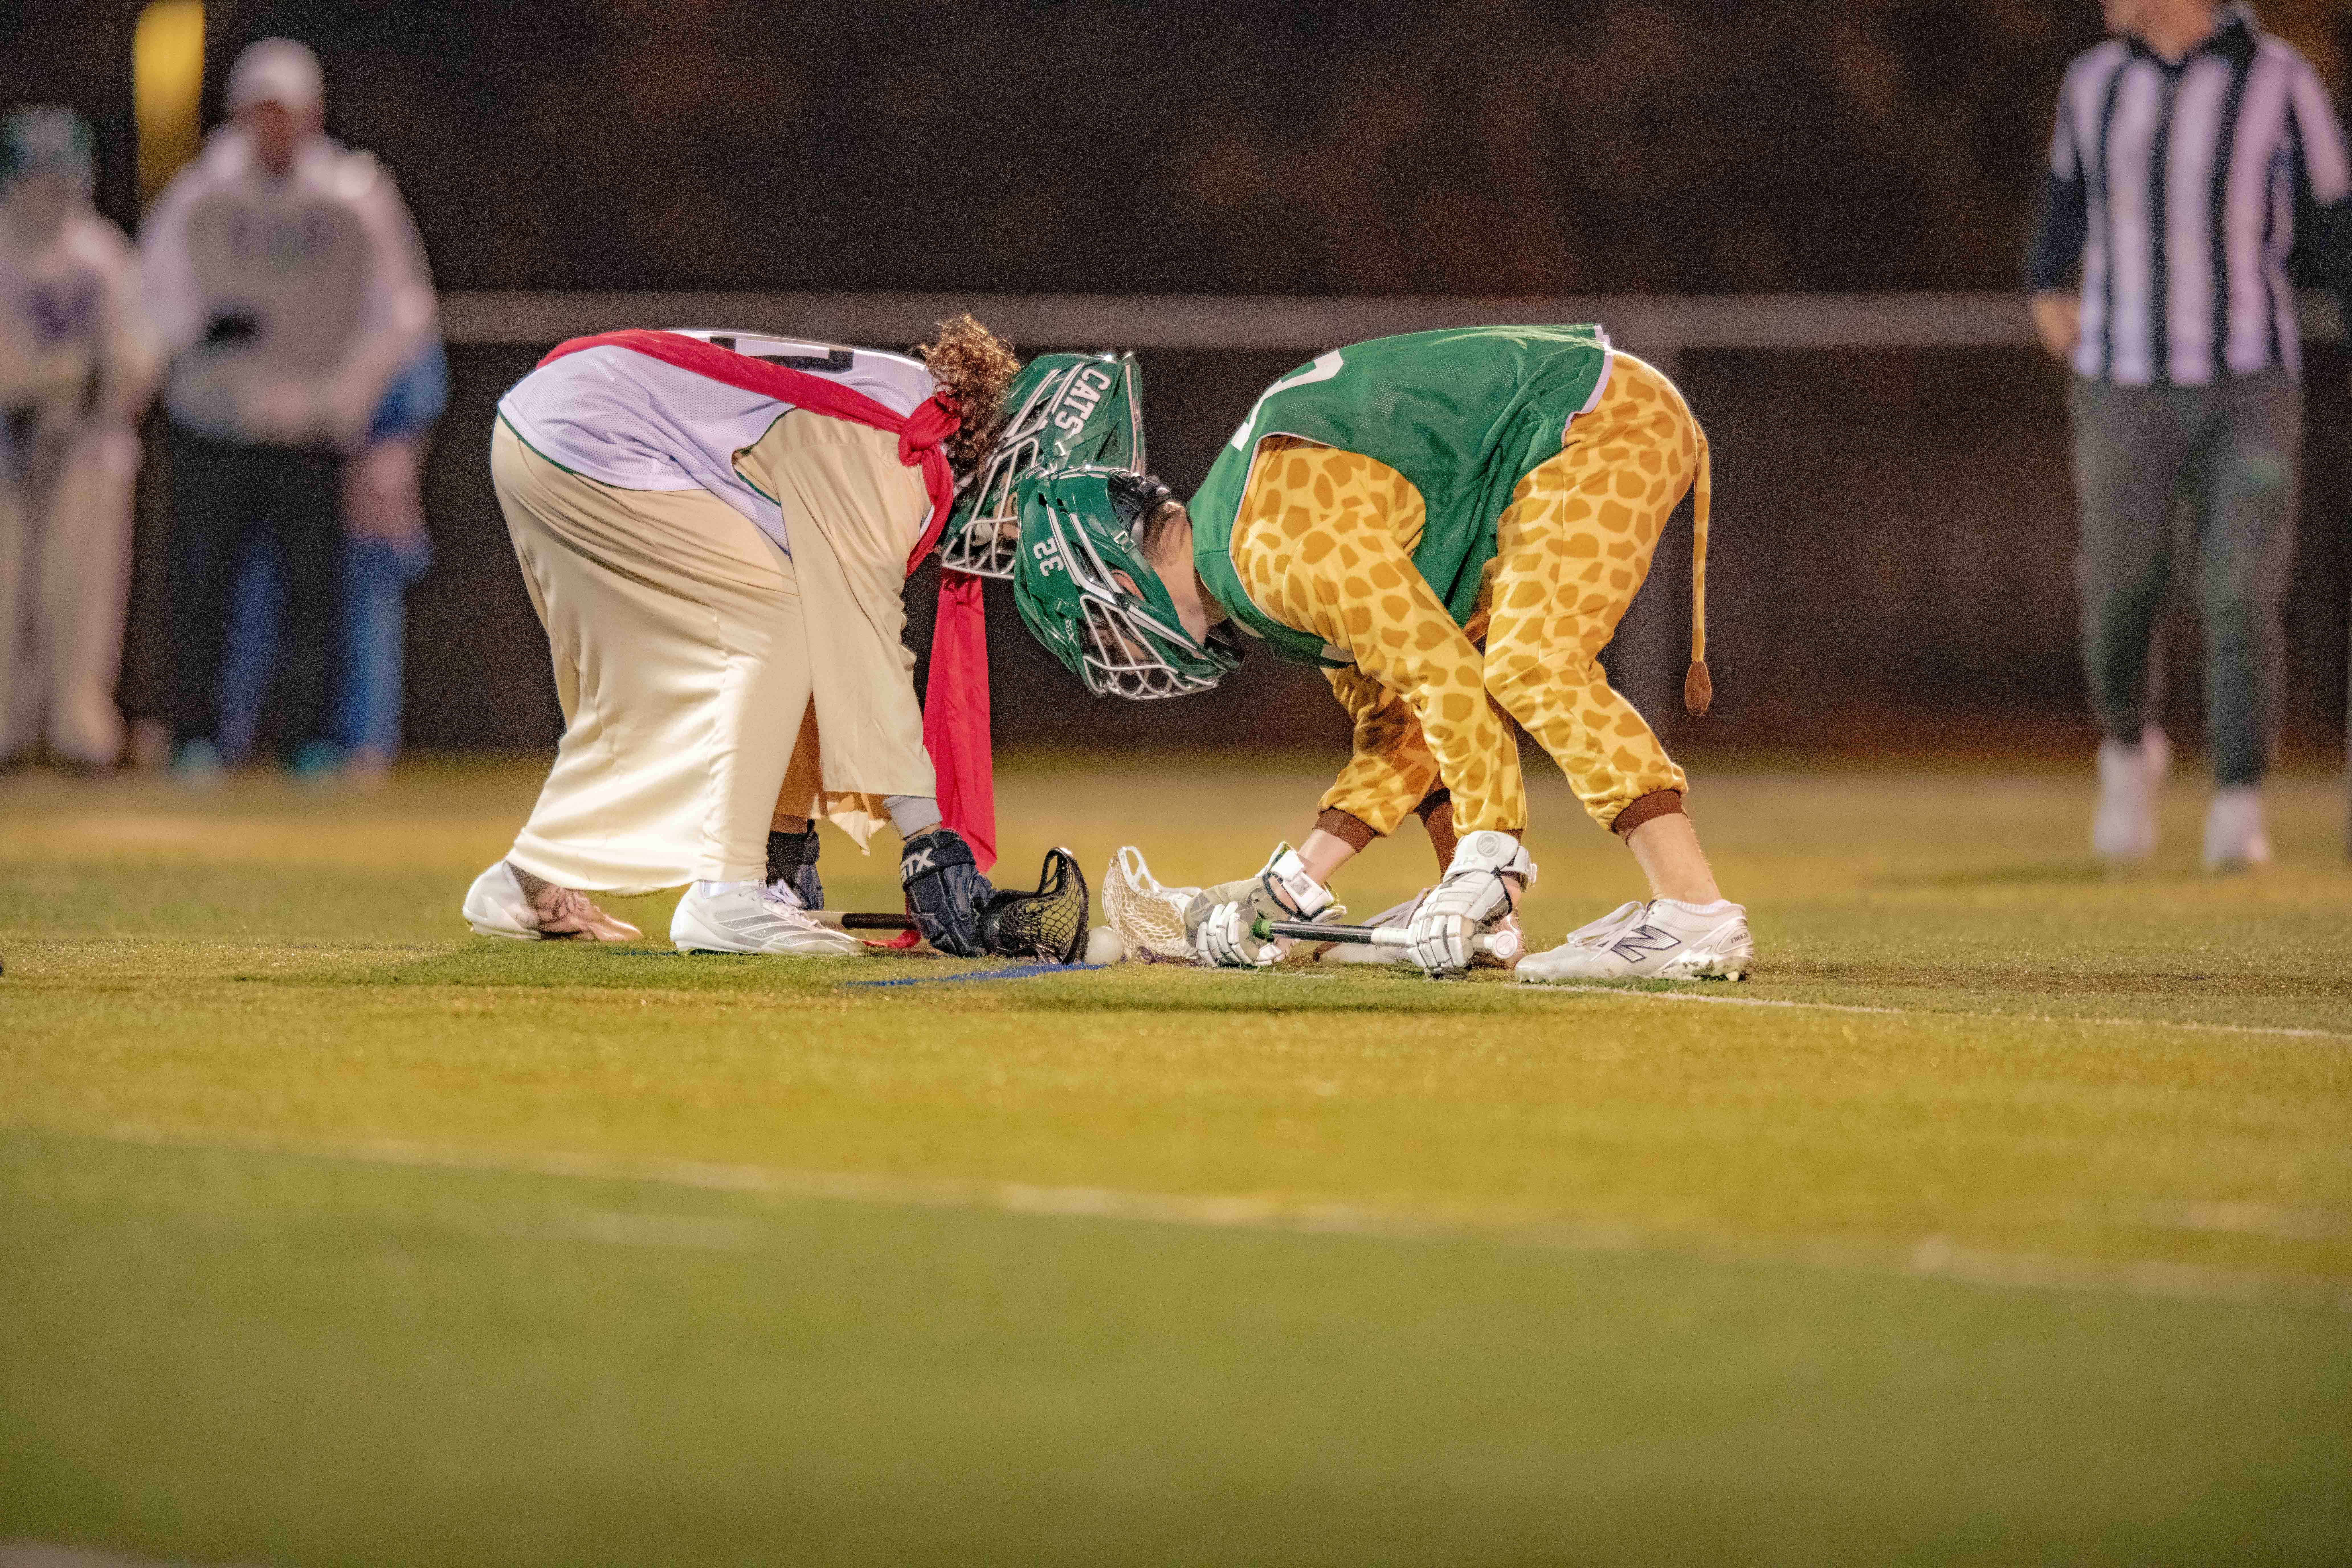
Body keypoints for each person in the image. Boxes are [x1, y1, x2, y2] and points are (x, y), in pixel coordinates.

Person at [1009, 326, 1753, 982]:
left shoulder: (1266, 547)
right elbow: (1403, 730)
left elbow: (1446, 674)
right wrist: (1297, 882)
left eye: (1101, 627)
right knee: (1465, 685)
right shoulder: (1245, 556)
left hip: (1597, 421)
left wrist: (1491, 855)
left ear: (1115, 571)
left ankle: (1693, 910)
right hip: (1556, 436)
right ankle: (1486, 921)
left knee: (1532, 660)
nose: (1116, 650)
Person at [463, 319, 1022, 957]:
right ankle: (727, 894)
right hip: (589, 432)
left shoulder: (912, 406)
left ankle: (524, 882)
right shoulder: (896, 454)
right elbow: (863, 652)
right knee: (774, 617)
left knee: (669, 686)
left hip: (555, 419)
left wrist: (786, 840)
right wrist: (928, 842)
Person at [2026, 0, 2352, 870]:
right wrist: (2043, 283)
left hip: (2249, 378)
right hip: (2120, 376)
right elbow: (2062, 202)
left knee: (2242, 590)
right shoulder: (2094, 81)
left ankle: (2239, 799)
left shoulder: (2282, 79)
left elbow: (2336, 223)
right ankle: (2130, 750)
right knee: (2119, 591)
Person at [138, 37, 438, 779]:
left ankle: (310, 740)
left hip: (311, 428)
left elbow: (398, 313)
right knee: (204, 588)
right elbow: (155, 293)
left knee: (317, 594)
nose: (273, 128)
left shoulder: (355, 196)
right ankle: (199, 737)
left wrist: (351, 394)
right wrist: (196, 337)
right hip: (220, 424)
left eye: (286, 113)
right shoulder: (201, 195)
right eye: (261, 112)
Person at [0, 106, 156, 770]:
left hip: (88, 449)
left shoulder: (105, 254)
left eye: (57, 173)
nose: (47, 189)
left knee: (81, 592)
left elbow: (137, 359)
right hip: (6, 446)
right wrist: (33, 385)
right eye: (33, 174)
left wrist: (88, 391)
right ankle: (7, 727)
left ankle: (79, 729)